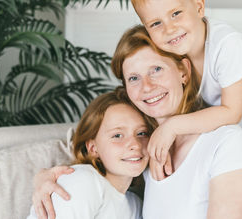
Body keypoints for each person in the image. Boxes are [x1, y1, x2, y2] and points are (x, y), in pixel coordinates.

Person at [32, 25, 242, 219]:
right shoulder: (146, 160)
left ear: (183, 71)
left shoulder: (228, 143)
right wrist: (45, 177)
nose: (147, 87)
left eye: (157, 69)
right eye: (134, 78)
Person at [129, 0, 242, 218]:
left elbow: (231, 112)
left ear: (199, 5)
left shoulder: (227, 45)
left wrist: (171, 128)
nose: (169, 29)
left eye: (176, 13)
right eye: (156, 23)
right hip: (217, 133)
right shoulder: (171, 52)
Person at [27, 88, 150, 219]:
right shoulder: (84, 181)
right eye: (118, 135)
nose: (136, 144)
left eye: (141, 133)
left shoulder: (134, 205)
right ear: (93, 148)